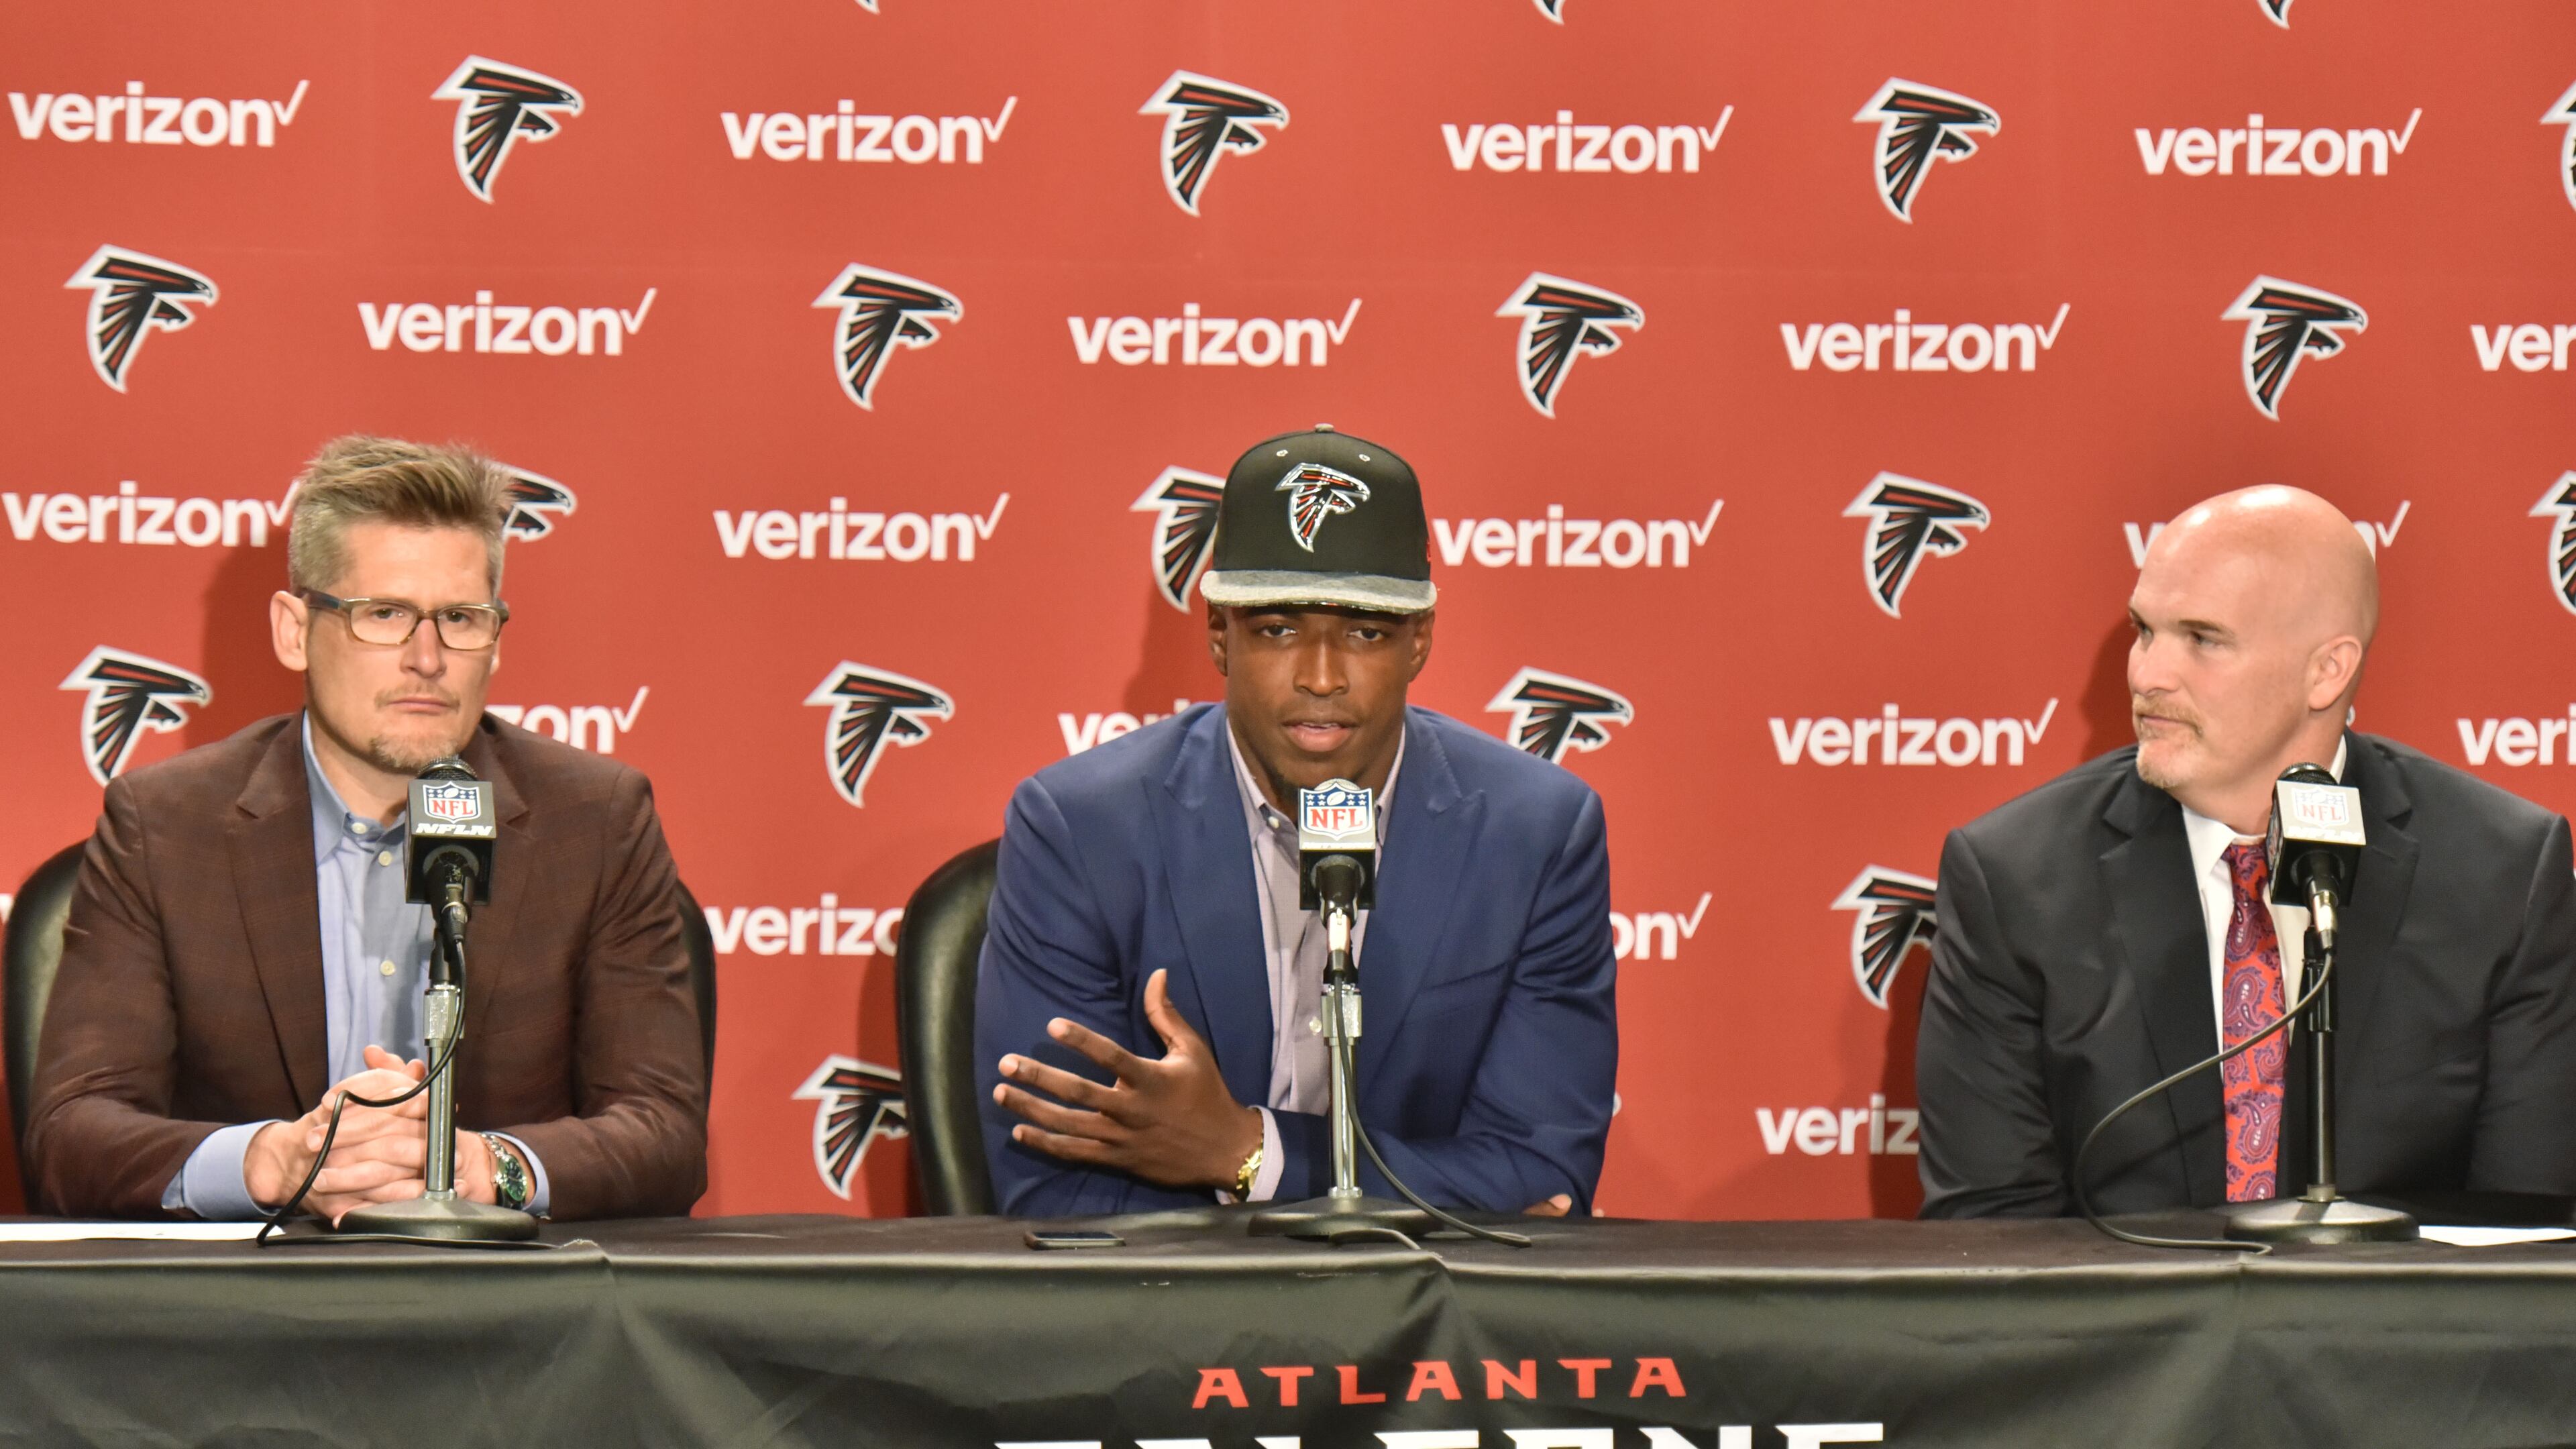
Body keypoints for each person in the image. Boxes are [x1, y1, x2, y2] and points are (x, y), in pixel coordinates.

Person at [25, 435, 708, 1222]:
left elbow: (665, 1129)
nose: (427, 658)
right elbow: (71, 1132)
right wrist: (269, 1160)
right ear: (294, 630)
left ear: (495, 638)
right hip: (253, 1319)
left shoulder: (595, 823)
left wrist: (491, 1168)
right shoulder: (167, 826)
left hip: (506, 1318)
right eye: (383, 614)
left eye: (459, 618)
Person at [975, 425, 1617, 1216]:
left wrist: (1248, 1154)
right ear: (1218, 634)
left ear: (1420, 641)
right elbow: (1057, 1190)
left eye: (1366, 633)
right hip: (1169, 1331)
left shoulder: (1537, 835)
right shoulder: (1080, 831)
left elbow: (1541, 1179)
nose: (1320, 677)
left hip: (1425, 1329)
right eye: (1277, 630)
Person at [1917, 485, 2576, 1217]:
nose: (2146, 676)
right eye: (2144, 631)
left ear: (2327, 671)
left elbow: (2529, 1229)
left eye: (2202, 639)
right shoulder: (2014, 878)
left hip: (2397, 1331)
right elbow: (1990, 1231)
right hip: (2126, 1332)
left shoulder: (2501, 873)